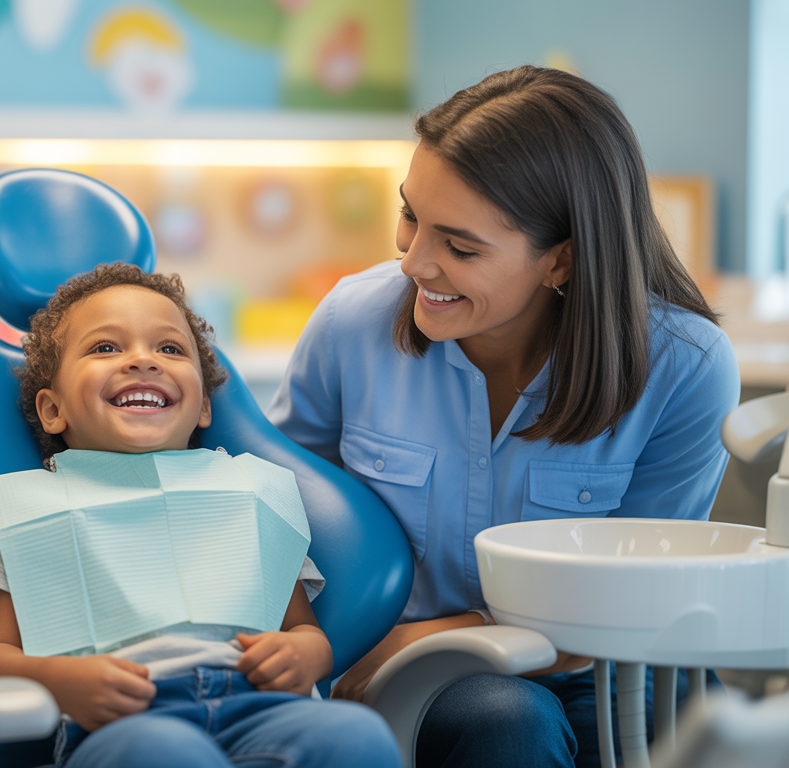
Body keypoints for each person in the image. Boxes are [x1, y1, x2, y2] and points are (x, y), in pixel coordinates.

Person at [267, 65, 740, 768]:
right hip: (414, 680)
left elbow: (641, 600)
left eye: (459, 247)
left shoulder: (685, 367)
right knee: (503, 717)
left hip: (603, 667)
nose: (413, 263)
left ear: (562, 260)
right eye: (410, 216)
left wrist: (440, 634)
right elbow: (266, 513)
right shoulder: (351, 323)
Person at [0, 264, 402, 768]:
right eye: (106, 348)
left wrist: (306, 655)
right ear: (52, 409)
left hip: (260, 706)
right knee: (166, 754)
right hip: (127, 726)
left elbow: (304, 630)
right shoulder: (28, 515)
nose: (143, 361)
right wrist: (64, 683)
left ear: (204, 408)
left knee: (356, 737)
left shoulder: (248, 494)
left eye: (169, 349)